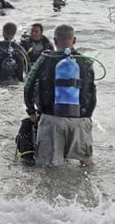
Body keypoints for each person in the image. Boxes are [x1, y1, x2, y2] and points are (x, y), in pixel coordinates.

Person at [23, 25, 96, 166]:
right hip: (81, 120)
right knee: (86, 167)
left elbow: (28, 87)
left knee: (47, 169)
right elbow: (91, 91)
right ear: (74, 40)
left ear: (55, 41)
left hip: (51, 120)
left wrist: (31, 112)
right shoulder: (86, 62)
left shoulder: (45, 59)